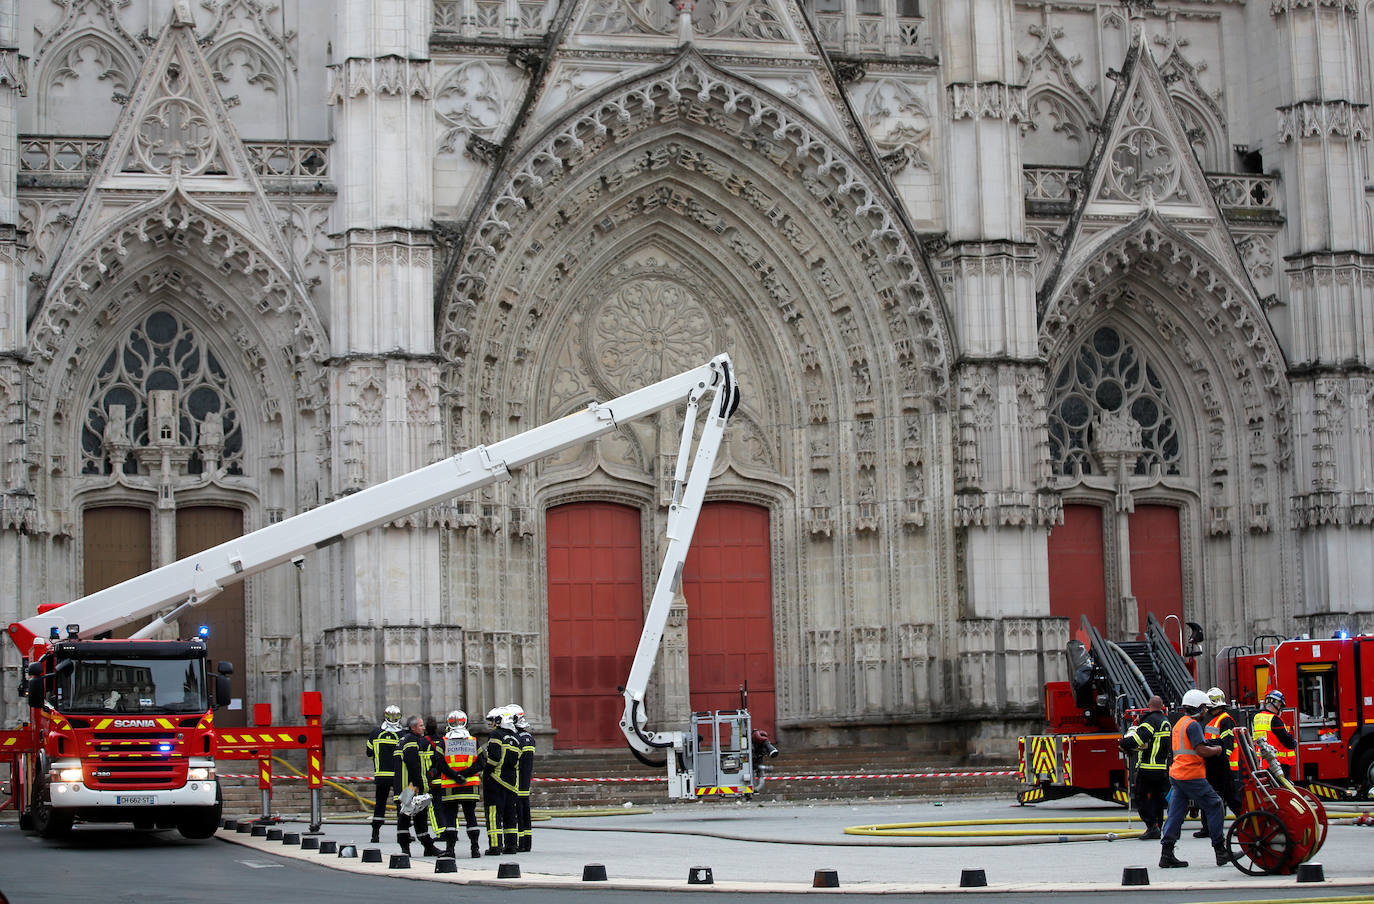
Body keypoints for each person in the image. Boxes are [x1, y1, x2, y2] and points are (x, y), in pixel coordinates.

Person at [1159, 688, 1229, 869]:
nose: (1206, 711)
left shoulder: (1179, 723)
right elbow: (1201, 750)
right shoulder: (1193, 725)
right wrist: (1218, 750)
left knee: (1175, 813)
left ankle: (1166, 854)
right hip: (1192, 775)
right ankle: (1220, 851)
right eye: (1204, 707)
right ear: (1199, 707)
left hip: (1177, 775)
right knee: (1215, 805)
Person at [460, 707, 521, 855]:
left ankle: (495, 846)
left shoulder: (496, 735)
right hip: (512, 782)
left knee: (494, 814)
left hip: (495, 781)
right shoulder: (516, 737)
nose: (492, 724)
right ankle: (511, 845)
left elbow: (493, 758)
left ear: (500, 721)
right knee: (510, 815)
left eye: (493, 720)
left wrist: (487, 771)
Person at [433, 709, 483, 859]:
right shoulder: (473, 741)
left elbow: (439, 763)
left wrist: (455, 776)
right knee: (471, 816)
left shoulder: (444, 742)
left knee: (450, 818)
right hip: (470, 785)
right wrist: (465, 775)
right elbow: (481, 763)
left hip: (450, 786)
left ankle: (450, 849)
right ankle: (475, 849)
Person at [1118, 695, 1170, 840]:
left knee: (1142, 798)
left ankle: (1152, 826)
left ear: (1149, 705)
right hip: (1161, 768)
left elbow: (1138, 739)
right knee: (1157, 800)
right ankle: (1158, 826)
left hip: (1148, 768)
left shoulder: (1150, 721)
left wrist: (1123, 743)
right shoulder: (1165, 722)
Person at [395, 714, 443, 857]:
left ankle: (427, 846)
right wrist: (419, 785)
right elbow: (413, 765)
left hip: (407, 787)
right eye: (421, 725)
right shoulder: (411, 741)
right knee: (407, 817)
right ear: (413, 727)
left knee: (417, 816)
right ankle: (407, 848)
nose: (423, 728)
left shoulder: (405, 739)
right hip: (410, 787)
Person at [1196, 687, 1241, 836]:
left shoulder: (1225, 720)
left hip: (1222, 766)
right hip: (1213, 764)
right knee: (1207, 796)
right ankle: (1207, 828)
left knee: (1231, 798)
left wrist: (1220, 759)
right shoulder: (1214, 720)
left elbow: (1227, 744)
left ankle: (1244, 824)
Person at [365, 704, 402, 844]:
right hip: (397, 776)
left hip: (381, 775)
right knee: (400, 804)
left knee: (380, 804)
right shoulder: (402, 734)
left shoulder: (375, 733)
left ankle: (375, 834)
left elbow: (369, 753)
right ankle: (402, 833)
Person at [507, 703, 536, 852]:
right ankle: (526, 842)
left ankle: (520, 842)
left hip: (515, 781)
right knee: (525, 812)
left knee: (517, 812)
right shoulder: (529, 738)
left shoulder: (515, 739)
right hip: (525, 782)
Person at [1252, 689, 1296, 777]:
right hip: (1278, 764)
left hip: (1263, 763)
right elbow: (1287, 741)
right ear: (1278, 704)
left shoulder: (1257, 717)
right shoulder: (1275, 720)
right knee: (1284, 789)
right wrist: (1293, 742)